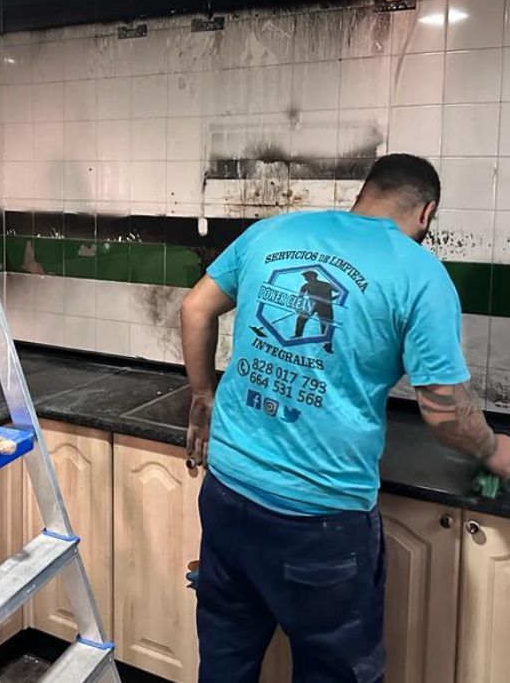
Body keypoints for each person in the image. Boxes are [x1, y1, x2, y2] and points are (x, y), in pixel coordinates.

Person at [180, 153, 510, 683]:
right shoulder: (420, 272)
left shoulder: (273, 231)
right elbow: (444, 409)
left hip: (227, 494)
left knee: (224, 663)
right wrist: (494, 451)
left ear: (365, 193)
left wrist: (203, 394)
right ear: (426, 213)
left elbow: (195, 308)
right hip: (319, 521)